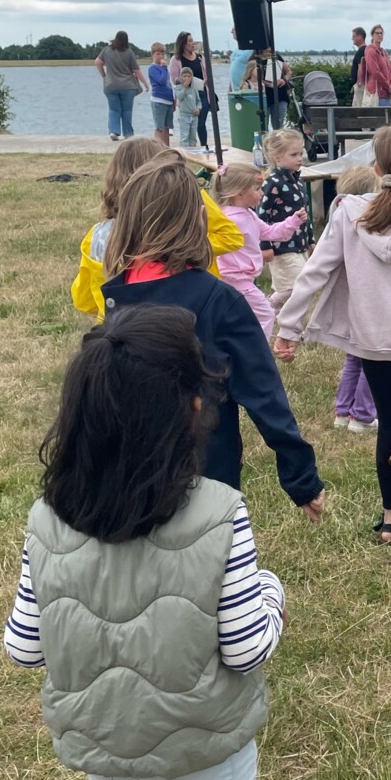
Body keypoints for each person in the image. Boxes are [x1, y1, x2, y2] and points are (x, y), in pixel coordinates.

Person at [3, 305, 285, 780]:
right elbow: (248, 648)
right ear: (193, 406)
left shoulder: (46, 519)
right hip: (203, 751)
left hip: (107, 753)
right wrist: (272, 592)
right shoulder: (222, 512)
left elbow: (23, 646)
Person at [101, 152, 325, 516]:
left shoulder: (115, 297)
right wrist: (301, 478)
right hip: (206, 474)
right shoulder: (220, 301)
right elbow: (263, 392)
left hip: (127, 475)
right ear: (199, 220)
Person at [275, 122, 391, 542]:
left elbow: (315, 272)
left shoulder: (346, 212)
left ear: (375, 168)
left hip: (372, 338)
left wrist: (288, 327)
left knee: (390, 416)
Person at [70, 140, 242, 322]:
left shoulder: (97, 235)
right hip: (189, 321)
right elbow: (231, 236)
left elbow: (83, 300)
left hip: (114, 331)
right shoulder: (186, 207)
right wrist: (190, 244)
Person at [211, 161, 307, 342]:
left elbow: (270, 232)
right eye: (257, 189)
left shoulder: (246, 215)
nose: (262, 193)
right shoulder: (231, 220)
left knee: (237, 318)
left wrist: (292, 221)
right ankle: (256, 349)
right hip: (236, 280)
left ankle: (238, 347)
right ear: (239, 192)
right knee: (266, 314)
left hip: (237, 280)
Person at [329, 166, 379, 434]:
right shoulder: (366, 221)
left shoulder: (337, 216)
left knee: (353, 358)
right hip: (368, 298)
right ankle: (361, 415)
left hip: (348, 298)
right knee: (371, 358)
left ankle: (342, 410)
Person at [259, 129, 314, 316]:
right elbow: (262, 216)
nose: (300, 158)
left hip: (299, 243)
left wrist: (310, 239)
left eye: (301, 153)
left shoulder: (297, 182)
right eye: (294, 155)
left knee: (298, 283)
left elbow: (305, 214)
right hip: (281, 245)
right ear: (277, 158)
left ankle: (284, 317)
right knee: (294, 286)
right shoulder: (272, 183)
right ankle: (267, 307)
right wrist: (264, 245)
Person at [95, 30, 147, 141]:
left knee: (114, 109)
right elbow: (136, 70)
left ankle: (114, 131)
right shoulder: (129, 52)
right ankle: (128, 133)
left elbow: (97, 62)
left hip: (111, 85)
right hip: (128, 86)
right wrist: (145, 83)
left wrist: (104, 75)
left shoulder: (107, 50)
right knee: (127, 110)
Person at [169, 32, 211, 149]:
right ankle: (188, 149)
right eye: (190, 41)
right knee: (188, 125)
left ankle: (204, 147)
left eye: (193, 40)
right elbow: (174, 79)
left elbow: (207, 75)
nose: (193, 43)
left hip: (201, 93)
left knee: (201, 124)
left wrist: (203, 83)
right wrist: (186, 82)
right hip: (186, 94)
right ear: (183, 44)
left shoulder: (200, 58)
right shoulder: (176, 59)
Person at [242, 48, 292, 129]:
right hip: (263, 93)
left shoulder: (276, 56)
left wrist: (284, 80)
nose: (270, 50)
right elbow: (252, 78)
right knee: (263, 123)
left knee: (278, 123)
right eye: (267, 49)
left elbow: (288, 72)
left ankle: (277, 140)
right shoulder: (254, 60)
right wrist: (268, 84)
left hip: (279, 93)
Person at [359, 24, 391, 107]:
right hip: (377, 93)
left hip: (387, 94)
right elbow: (375, 72)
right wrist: (388, 86)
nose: (379, 35)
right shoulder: (370, 51)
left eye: (381, 33)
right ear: (372, 35)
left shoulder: (384, 52)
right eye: (377, 33)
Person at [148, 42, 174, 147]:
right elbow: (161, 81)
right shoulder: (153, 69)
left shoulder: (164, 69)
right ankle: (156, 149)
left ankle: (166, 148)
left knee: (167, 127)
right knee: (159, 127)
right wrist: (164, 67)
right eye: (158, 54)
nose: (161, 56)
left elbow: (168, 83)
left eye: (162, 54)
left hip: (168, 100)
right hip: (158, 100)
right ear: (153, 54)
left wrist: (173, 99)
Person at [173, 67, 201, 148]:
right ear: (181, 77)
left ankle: (193, 153)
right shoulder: (178, 88)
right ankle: (185, 154)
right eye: (184, 76)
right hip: (184, 116)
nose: (187, 78)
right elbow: (180, 97)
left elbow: (198, 101)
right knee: (184, 137)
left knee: (193, 138)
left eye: (189, 76)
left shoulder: (194, 89)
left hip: (194, 116)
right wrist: (184, 87)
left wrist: (198, 108)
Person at [229, 25, 254, 92]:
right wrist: (230, 91)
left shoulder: (251, 50)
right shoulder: (235, 50)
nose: (231, 32)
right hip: (235, 92)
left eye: (234, 29)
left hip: (246, 91)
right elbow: (232, 72)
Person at [350, 26, 367, 107]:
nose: (352, 38)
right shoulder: (365, 49)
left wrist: (359, 83)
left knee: (358, 107)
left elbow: (361, 66)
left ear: (360, 36)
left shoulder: (361, 50)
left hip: (360, 85)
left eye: (354, 36)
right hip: (361, 83)